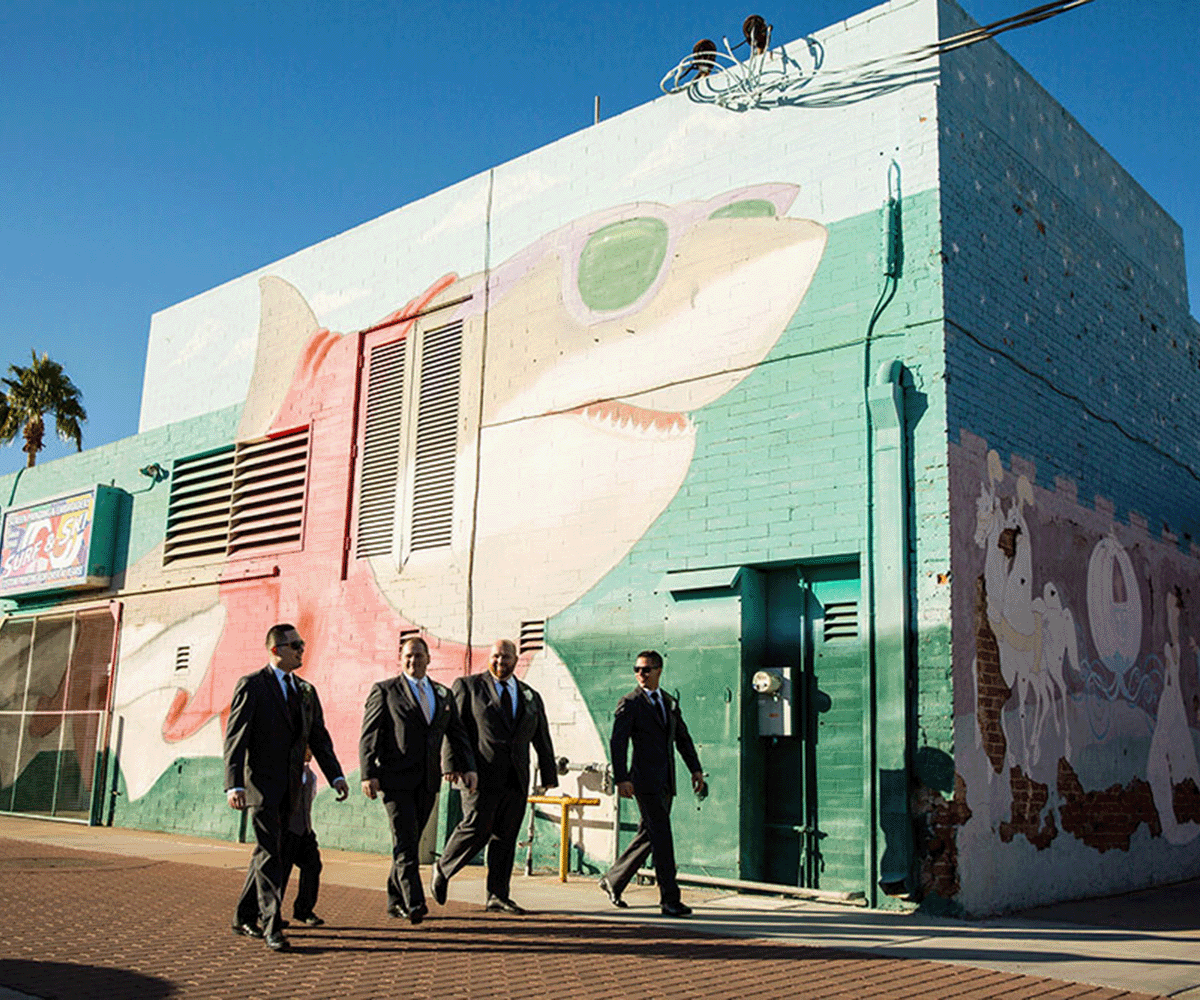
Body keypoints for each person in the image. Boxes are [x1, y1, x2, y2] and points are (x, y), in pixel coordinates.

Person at [225, 623, 349, 951]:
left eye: (302, 644)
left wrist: (336, 775)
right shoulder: (252, 686)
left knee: (270, 852)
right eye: (295, 645)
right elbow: (236, 738)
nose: (301, 650)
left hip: (292, 787)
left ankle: (243, 915)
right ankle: (271, 924)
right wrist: (233, 784)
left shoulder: (306, 691)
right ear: (276, 650)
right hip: (261, 786)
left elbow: (318, 737)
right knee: (270, 853)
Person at [431, 639, 558, 914]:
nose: (500, 662)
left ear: (516, 660)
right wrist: (452, 764)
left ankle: (498, 895)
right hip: (479, 774)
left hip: (516, 777)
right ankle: (443, 866)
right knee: (477, 826)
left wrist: (549, 774)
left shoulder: (530, 695)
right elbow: (454, 728)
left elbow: (541, 736)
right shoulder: (468, 686)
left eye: (505, 657)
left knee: (506, 836)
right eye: (495, 657)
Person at [359, 636, 476, 924]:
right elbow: (369, 734)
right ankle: (414, 901)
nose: (413, 661)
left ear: (428, 659)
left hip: (427, 782)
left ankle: (394, 899)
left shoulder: (442, 694)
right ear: (401, 659)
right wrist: (368, 774)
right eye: (408, 656)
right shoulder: (385, 691)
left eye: (419, 656)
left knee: (408, 841)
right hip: (394, 780)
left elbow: (457, 734)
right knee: (405, 840)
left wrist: (467, 767)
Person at [598, 650, 704, 917]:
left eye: (646, 669)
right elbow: (618, 742)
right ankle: (670, 899)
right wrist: (621, 778)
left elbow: (683, 738)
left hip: (666, 781)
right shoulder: (630, 702)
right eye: (637, 669)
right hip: (643, 782)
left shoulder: (668, 702)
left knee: (649, 835)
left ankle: (613, 879)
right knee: (663, 839)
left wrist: (695, 769)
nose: (640, 674)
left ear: (659, 670)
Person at [279, 748, 324, 927]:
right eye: (306, 748)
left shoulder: (311, 776)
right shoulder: (286, 772)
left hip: (305, 831)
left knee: (313, 866)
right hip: (288, 830)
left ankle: (304, 910)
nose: (310, 753)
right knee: (281, 873)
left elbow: (309, 800)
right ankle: (270, 914)